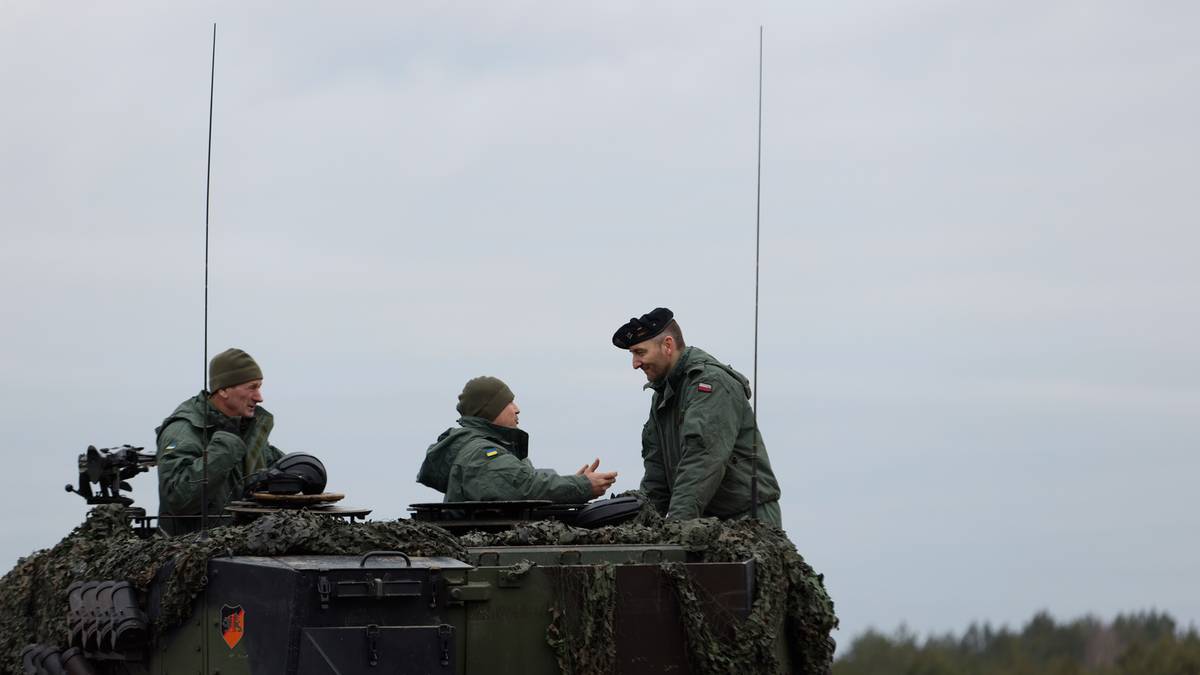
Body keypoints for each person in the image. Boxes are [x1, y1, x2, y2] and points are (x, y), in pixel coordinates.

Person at [613, 307, 783, 527]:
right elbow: (657, 481)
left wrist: (675, 527)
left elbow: (701, 460)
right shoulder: (664, 394)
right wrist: (635, 527)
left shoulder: (710, 384)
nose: (635, 364)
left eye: (640, 352)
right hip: (701, 522)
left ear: (667, 345)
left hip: (745, 523)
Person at [417, 376, 617, 502]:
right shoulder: (481, 453)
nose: (517, 408)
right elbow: (525, 487)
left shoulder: (481, 449)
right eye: (508, 402)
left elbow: (521, 484)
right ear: (489, 410)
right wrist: (581, 485)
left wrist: (572, 484)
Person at [155, 348, 284, 535]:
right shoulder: (182, 431)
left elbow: (277, 466)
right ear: (223, 390)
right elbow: (178, 498)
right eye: (252, 387)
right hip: (191, 554)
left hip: (245, 549)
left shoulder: (246, 428)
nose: (259, 397)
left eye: (259, 387)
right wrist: (226, 446)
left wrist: (302, 471)